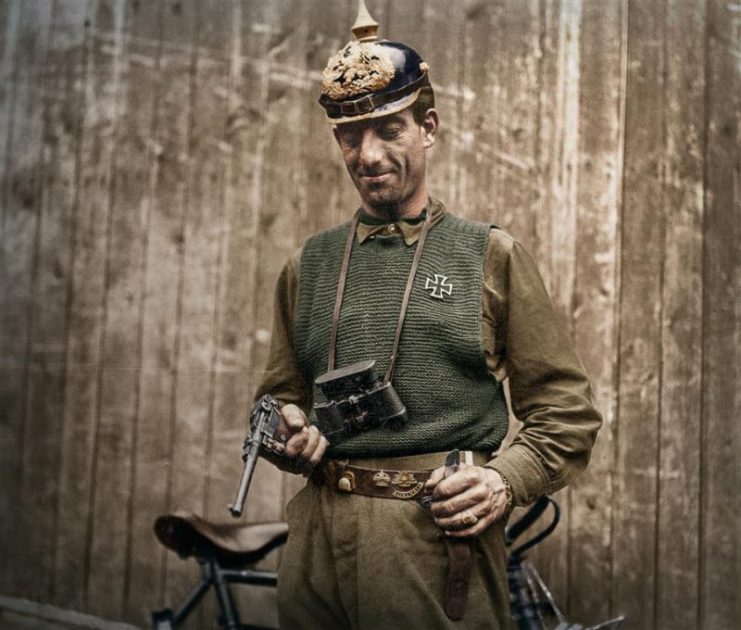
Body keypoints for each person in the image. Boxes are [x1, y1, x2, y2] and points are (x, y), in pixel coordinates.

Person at [253, 2, 602, 628]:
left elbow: (567, 414)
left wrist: (502, 481)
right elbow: (278, 398)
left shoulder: (489, 256)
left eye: (389, 129)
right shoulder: (308, 265)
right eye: (350, 135)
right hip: (314, 549)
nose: (368, 154)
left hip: (434, 545)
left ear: (428, 127)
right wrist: (285, 428)